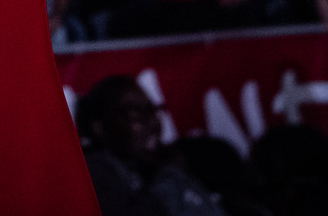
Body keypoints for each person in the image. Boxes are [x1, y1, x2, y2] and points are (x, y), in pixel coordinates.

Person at [77, 75, 227, 216]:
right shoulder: (94, 173)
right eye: (135, 116)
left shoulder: (172, 157)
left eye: (153, 111)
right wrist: (168, 179)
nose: (153, 122)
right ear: (100, 128)